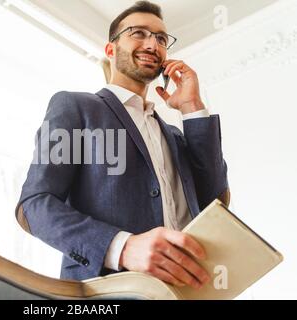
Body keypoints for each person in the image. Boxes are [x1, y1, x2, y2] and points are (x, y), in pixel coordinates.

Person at [15, 1, 229, 290]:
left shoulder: (175, 137)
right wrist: (123, 247)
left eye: (161, 38)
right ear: (111, 49)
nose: (152, 44)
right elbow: (34, 206)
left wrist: (192, 108)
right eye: (138, 33)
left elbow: (215, 203)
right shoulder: (76, 107)